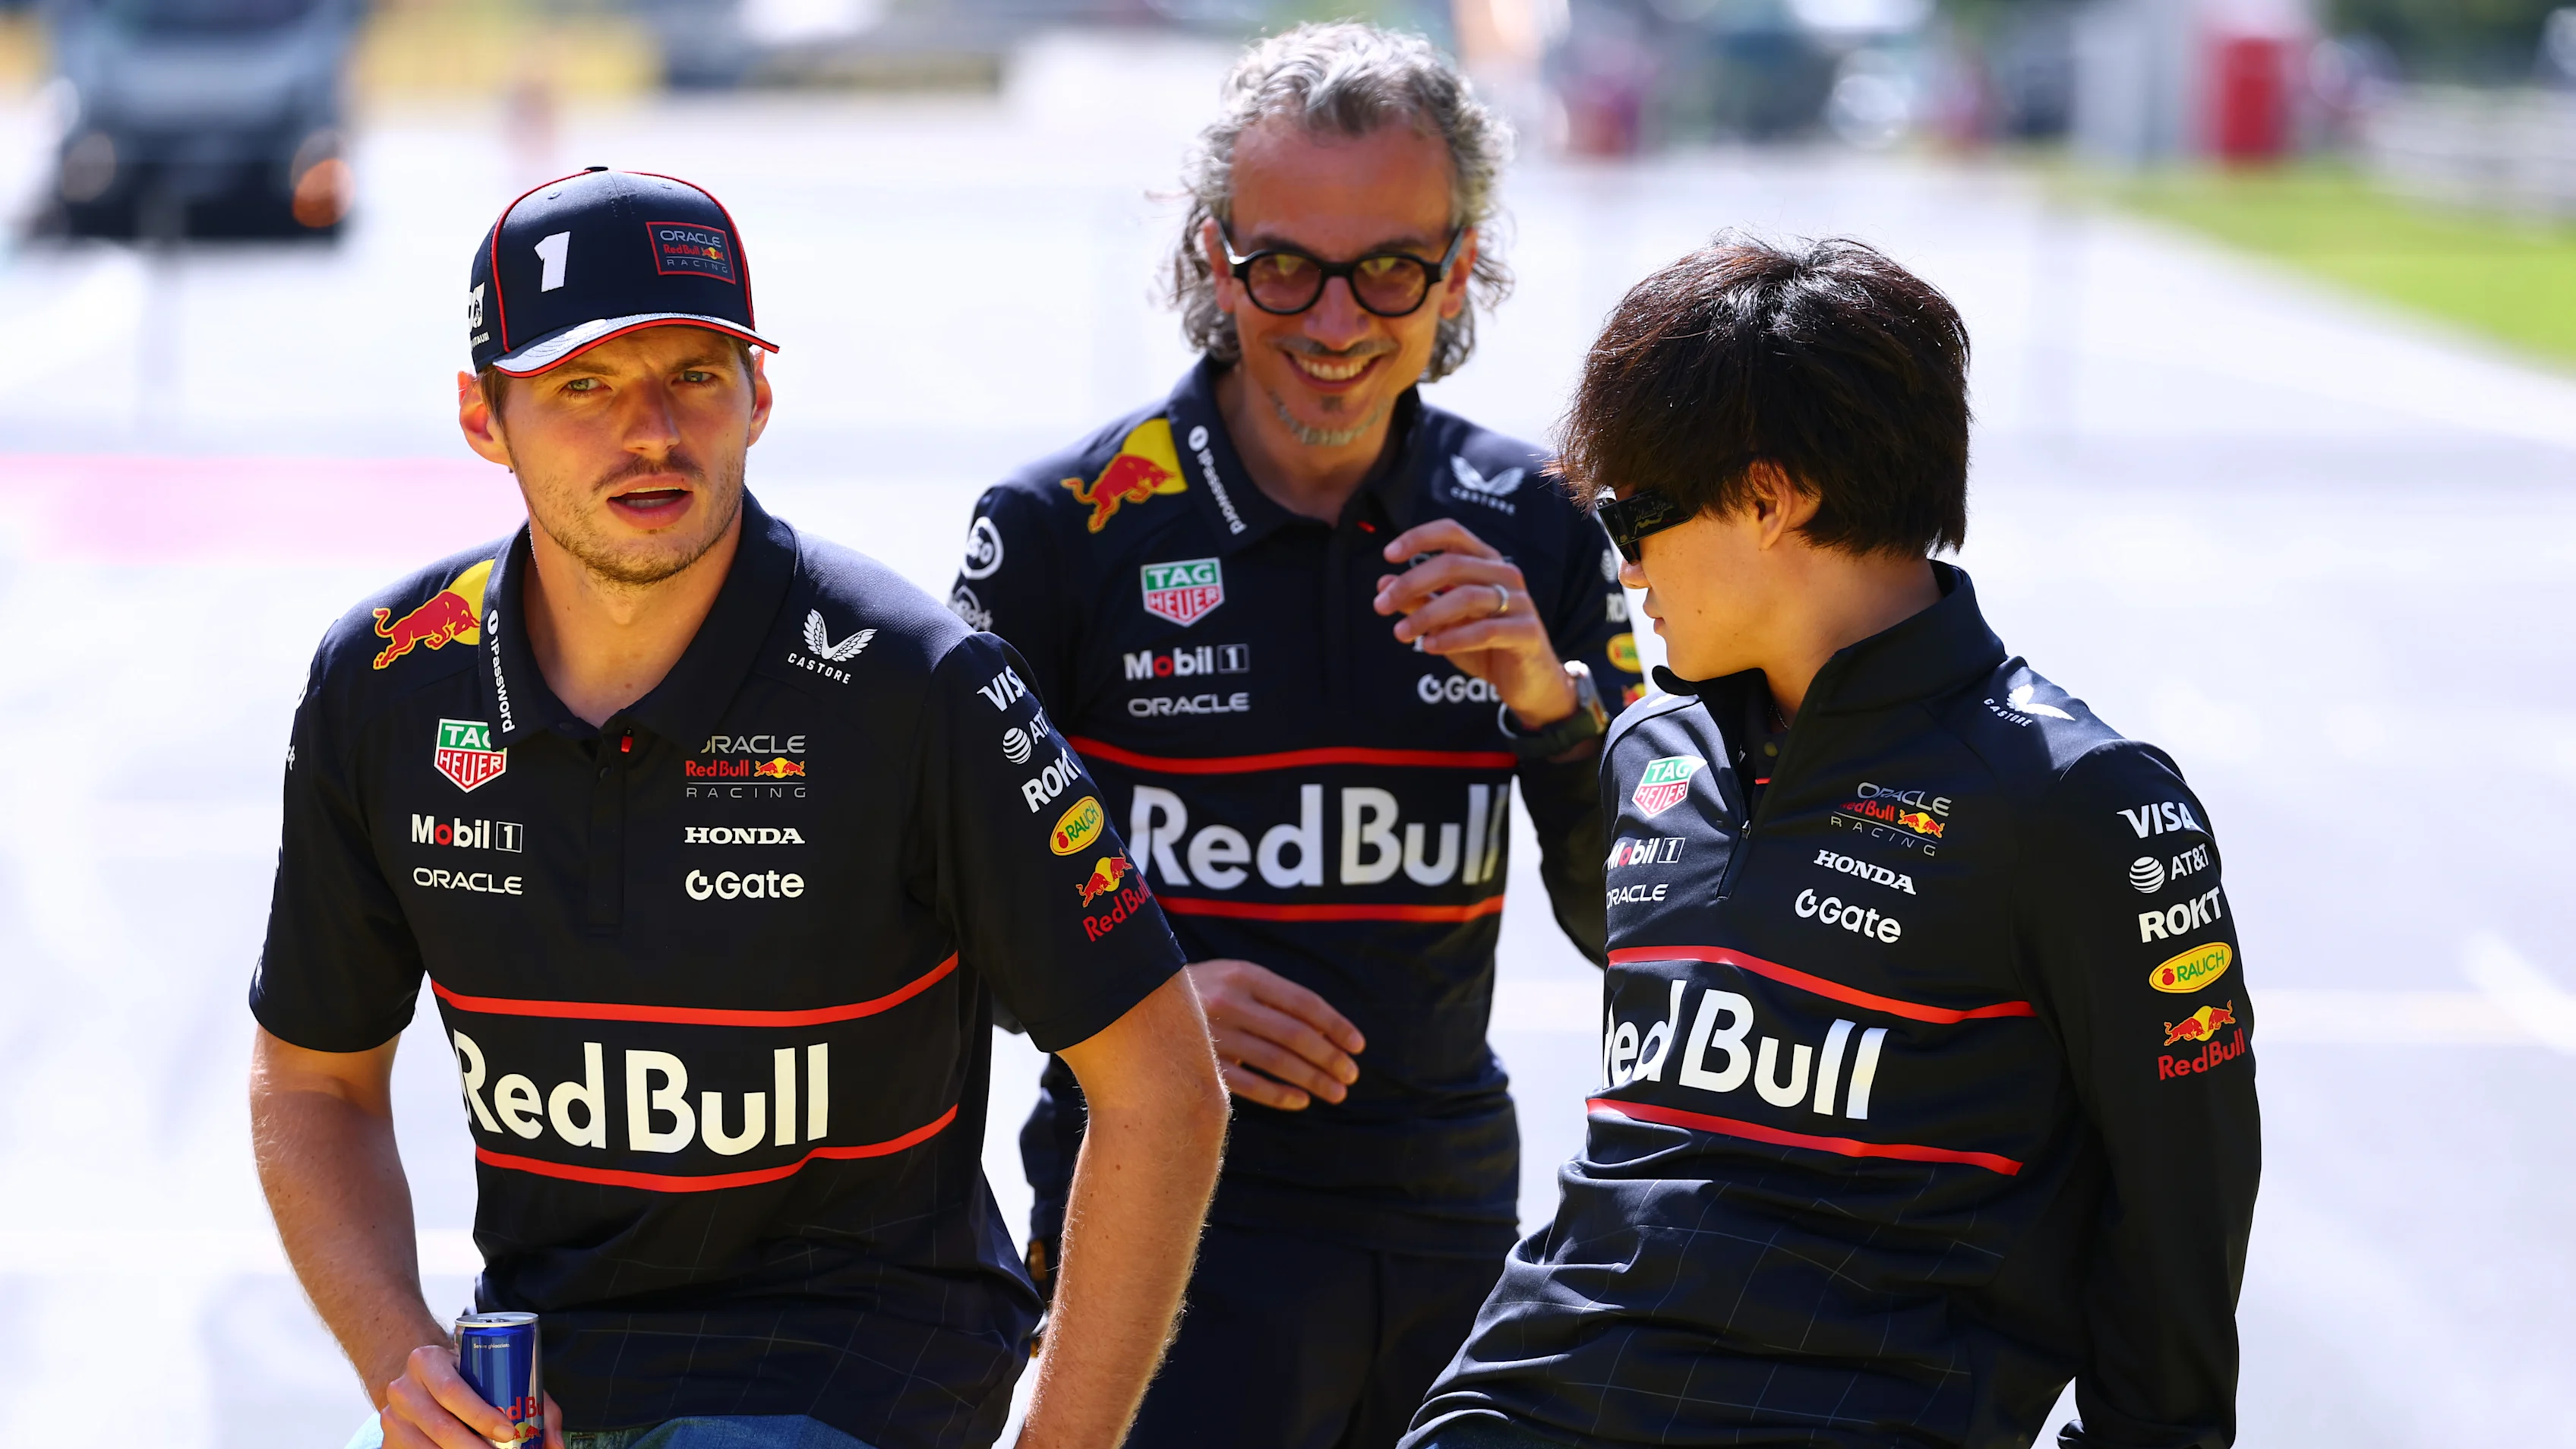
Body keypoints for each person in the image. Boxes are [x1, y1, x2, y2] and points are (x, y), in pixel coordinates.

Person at [247, 167, 1228, 1449]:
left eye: (695, 376)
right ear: (486, 419)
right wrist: (405, 1360)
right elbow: (313, 1083)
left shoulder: (917, 683)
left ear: (760, 397)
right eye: (582, 386)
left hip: (862, 1367)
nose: (649, 430)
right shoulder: (382, 682)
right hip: (548, 1383)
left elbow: (1162, 1085)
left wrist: (1063, 1440)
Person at [1406, 238, 2262, 1448]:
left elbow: (2185, 1205)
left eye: (1633, 515)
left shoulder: (2080, 800)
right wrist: (1554, 723)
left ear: (1771, 495)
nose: (1624, 562)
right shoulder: (1654, 746)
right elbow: (1657, 954)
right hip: (1527, 1407)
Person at [946, 24, 1640, 1449]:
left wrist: (1551, 708)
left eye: (1389, 267)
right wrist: (1138, 1009)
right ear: (1214, 258)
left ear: (1458, 268)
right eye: (1285, 268)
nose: (1336, 323)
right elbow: (933, 905)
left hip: (1449, 1226)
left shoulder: (1541, 527)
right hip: (1158, 1217)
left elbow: (1632, 924)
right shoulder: (1061, 530)